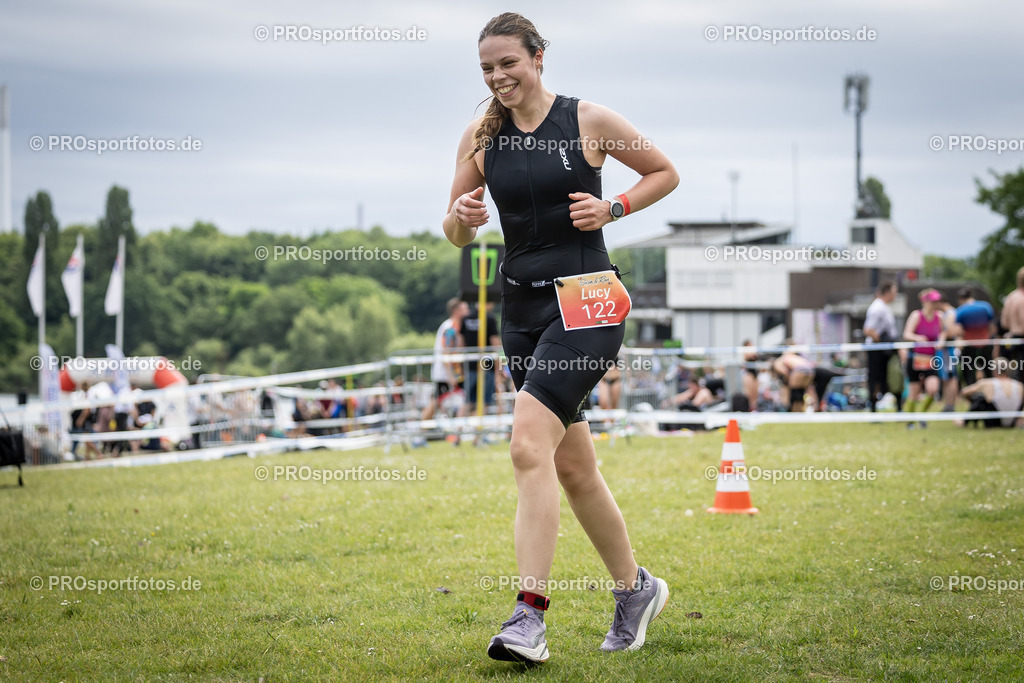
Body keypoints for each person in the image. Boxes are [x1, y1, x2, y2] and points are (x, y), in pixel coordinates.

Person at [443, 12, 678, 662]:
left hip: (589, 299)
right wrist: (462, 220)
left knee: (526, 445)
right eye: (487, 69)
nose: (498, 78)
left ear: (539, 57)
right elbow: (454, 229)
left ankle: (529, 617)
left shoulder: (589, 121)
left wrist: (615, 207)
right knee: (571, 465)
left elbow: (663, 171)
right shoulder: (479, 135)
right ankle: (635, 589)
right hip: (519, 311)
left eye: (508, 64)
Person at [902, 288, 944, 427]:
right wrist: (918, 337)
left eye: (937, 301)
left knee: (933, 389)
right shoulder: (916, 315)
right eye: (933, 301)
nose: (936, 303)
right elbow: (907, 333)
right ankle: (910, 421)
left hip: (931, 358)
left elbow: (944, 332)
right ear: (925, 302)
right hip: (915, 357)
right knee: (913, 392)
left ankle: (921, 415)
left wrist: (941, 340)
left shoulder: (940, 317)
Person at [422, 298, 468, 420]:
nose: (468, 312)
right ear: (456, 311)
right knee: (436, 402)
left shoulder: (457, 327)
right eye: (465, 309)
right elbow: (445, 352)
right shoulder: (449, 328)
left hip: (454, 373)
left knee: (464, 400)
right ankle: (421, 431)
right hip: (445, 373)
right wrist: (451, 375)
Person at [458, 301, 502, 417]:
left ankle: (458, 431)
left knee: (468, 401)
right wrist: (499, 367)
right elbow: (495, 344)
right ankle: (477, 434)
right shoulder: (489, 319)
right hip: (487, 366)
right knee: (484, 402)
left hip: (470, 366)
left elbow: (460, 343)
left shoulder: (466, 318)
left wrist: (461, 365)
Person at [862, 281, 900, 412]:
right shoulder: (877, 307)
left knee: (889, 377)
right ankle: (873, 407)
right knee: (875, 378)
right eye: (894, 292)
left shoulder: (884, 306)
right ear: (887, 292)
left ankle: (891, 404)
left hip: (883, 349)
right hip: (877, 349)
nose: (896, 295)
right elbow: (868, 330)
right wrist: (882, 344)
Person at [958, 362, 1024, 428]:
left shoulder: (987, 383)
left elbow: (963, 392)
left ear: (994, 371)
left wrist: (971, 401)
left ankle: (964, 421)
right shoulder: (1019, 385)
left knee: (979, 399)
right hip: (1013, 422)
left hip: (995, 422)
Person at [954, 287, 997, 386]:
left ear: (961, 299)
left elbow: (958, 330)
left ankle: (972, 396)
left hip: (969, 345)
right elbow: (992, 327)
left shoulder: (960, 310)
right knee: (989, 372)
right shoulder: (986, 306)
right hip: (986, 344)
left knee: (969, 374)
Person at [999, 266, 1024, 382]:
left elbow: (1004, 323)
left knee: (1014, 373)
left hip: (1012, 339)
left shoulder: (1010, 297)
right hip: (1021, 339)